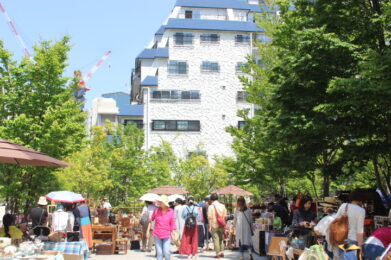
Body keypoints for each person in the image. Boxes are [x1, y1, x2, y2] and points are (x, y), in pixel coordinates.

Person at [147, 195, 176, 260]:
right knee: (159, 253)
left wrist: (173, 233)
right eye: (159, 201)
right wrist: (147, 231)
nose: (160, 203)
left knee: (166, 252)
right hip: (157, 234)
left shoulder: (170, 211)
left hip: (167, 234)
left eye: (161, 202)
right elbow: (150, 220)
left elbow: (172, 223)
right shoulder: (156, 210)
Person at [208, 193, 227, 259]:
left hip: (214, 224)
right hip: (221, 224)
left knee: (216, 239)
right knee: (221, 238)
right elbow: (225, 216)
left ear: (211, 199)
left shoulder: (211, 206)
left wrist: (210, 226)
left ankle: (217, 253)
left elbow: (210, 217)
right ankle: (222, 252)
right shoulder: (222, 206)